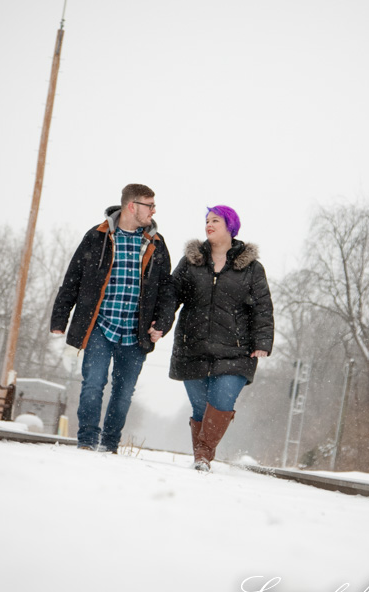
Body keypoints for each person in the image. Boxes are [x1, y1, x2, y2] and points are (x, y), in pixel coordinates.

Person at [50, 184, 175, 453]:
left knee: (123, 392)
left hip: (135, 332)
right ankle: (86, 441)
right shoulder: (98, 236)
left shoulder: (157, 242)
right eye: (149, 205)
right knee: (93, 384)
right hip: (100, 326)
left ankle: (109, 444)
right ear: (132, 206)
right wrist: (60, 319)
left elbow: (167, 290)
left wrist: (162, 324)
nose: (153, 210)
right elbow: (73, 278)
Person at [169, 205, 274, 471]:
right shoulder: (191, 261)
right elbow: (171, 296)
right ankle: (201, 458)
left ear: (231, 226)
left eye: (215, 220)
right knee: (200, 408)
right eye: (206, 220)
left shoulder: (251, 268)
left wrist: (262, 341)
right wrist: (160, 324)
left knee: (223, 401)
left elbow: (262, 306)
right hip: (192, 347)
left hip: (236, 350)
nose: (209, 224)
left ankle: (203, 456)